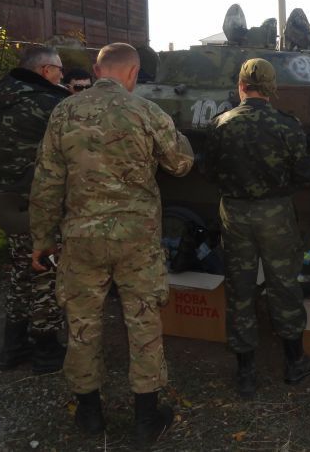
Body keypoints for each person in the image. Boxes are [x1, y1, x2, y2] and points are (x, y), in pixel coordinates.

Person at [29, 43, 194, 445]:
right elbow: (181, 164)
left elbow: (47, 180)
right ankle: (145, 418)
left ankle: (88, 414)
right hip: (135, 239)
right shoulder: (147, 112)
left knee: (82, 325)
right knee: (143, 324)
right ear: (134, 73)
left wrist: (41, 239)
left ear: (97, 69)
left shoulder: (64, 112)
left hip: (81, 238)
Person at [203, 57, 310, 398]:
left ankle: (246, 373)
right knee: (283, 285)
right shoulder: (287, 125)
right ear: (271, 88)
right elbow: (304, 175)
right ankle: (294, 363)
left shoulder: (221, 123)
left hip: (235, 214)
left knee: (240, 288)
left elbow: (209, 172)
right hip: (276, 214)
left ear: (241, 86)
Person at [0, 45, 69, 375]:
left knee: (21, 270)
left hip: (0, 197)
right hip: (35, 200)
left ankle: (13, 345)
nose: (62, 75)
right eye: (59, 69)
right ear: (45, 71)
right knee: (46, 266)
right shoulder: (46, 102)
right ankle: (46, 349)